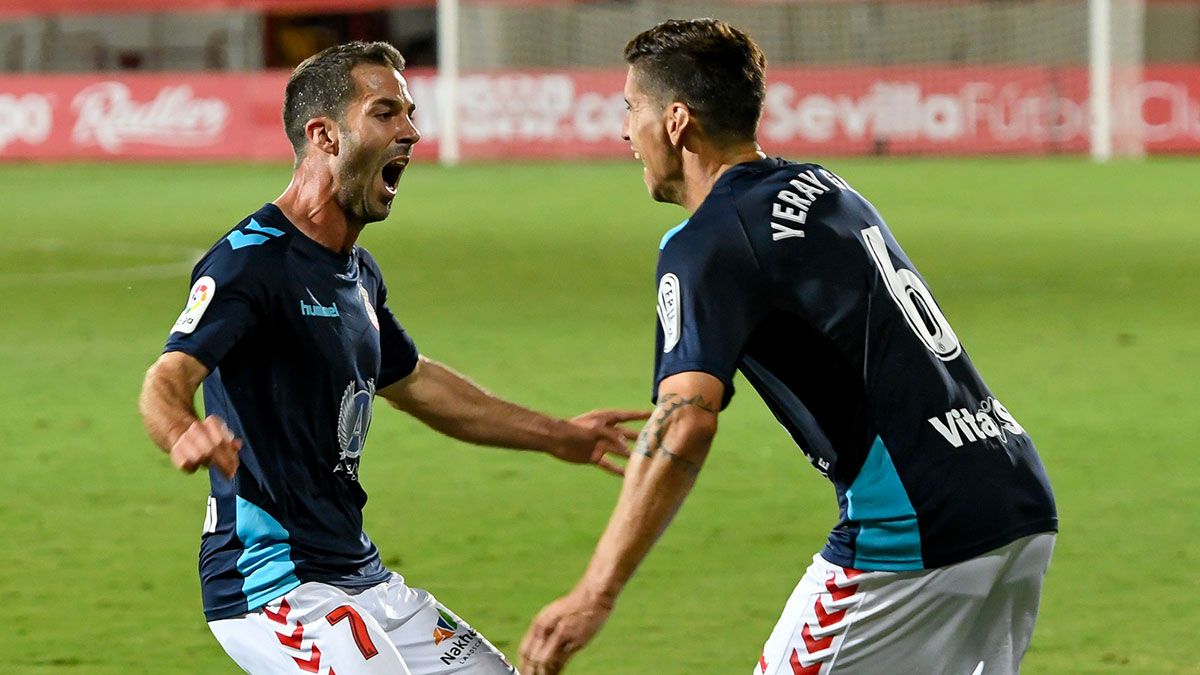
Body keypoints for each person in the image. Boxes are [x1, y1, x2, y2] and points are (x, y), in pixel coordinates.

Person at [518, 18, 1058, 675]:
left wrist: (593, 593)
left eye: (632, 110)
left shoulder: (705, 243)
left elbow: (685, 420)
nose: (624, 131)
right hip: (1014, 490)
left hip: (916, 524)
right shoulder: (828, 188)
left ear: (676, 122)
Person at [137, 41, 645, 675]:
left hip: (359, 574)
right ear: (323, 135)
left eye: (409, 112)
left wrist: (559, 436)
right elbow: (167, 377)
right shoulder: (251, 261)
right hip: (275, 590)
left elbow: (418, 383)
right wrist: (183, 429)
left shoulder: (357, 274)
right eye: (386, 113)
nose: (412, 132)